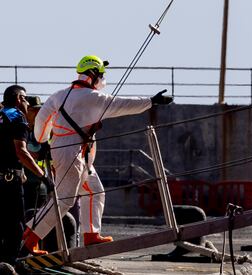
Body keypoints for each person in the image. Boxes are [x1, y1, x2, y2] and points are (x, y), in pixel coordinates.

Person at [23, 55, 173, 255]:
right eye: (101, 74)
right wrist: (151, 101)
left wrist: (42, 140)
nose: (103, 78)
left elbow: (42, 118)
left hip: (68, 152)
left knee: (94, 191)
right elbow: (123, 104)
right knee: (65, 200)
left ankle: (91, 235)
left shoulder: (59, 95)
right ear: (92, 74)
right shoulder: (94, 98)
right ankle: (28, 237)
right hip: (72, 153)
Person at [0, 85, 52, 264]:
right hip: (8, 182)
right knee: (15, 226)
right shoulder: (17, 118)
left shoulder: (1, 114)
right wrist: (42, 175)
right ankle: (10, 264)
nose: (26, 103)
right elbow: (21, 152)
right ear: (18, 99)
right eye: (24, 99)